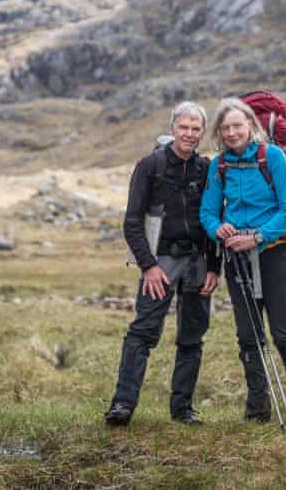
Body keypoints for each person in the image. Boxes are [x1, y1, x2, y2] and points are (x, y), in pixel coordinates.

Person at [199, 97, 286, 428]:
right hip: (236, 257)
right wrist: (217, 228)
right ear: (220, 133)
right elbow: (208, 211)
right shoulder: (219, 165)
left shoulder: (273, 157)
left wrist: (257, 237)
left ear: (251, 126)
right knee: (248, 335)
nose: (233, 132)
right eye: (226, 128)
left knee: (284, 332)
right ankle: (257, 409)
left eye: (238, 125)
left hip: (275, 253)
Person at [104, 101, 220, 427]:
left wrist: (214, 267)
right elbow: (132, 222)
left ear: (202, 133)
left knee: (192, 338)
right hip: (161, 262)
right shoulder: (149, 166)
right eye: (184, 127)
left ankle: (183, 410)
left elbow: (214, 219)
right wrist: (149, 267)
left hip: (198, 261)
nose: (189, 134)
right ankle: (122, 406)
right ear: (173, 129)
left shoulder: (206, 169)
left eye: (196, 129)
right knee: (143, 332)